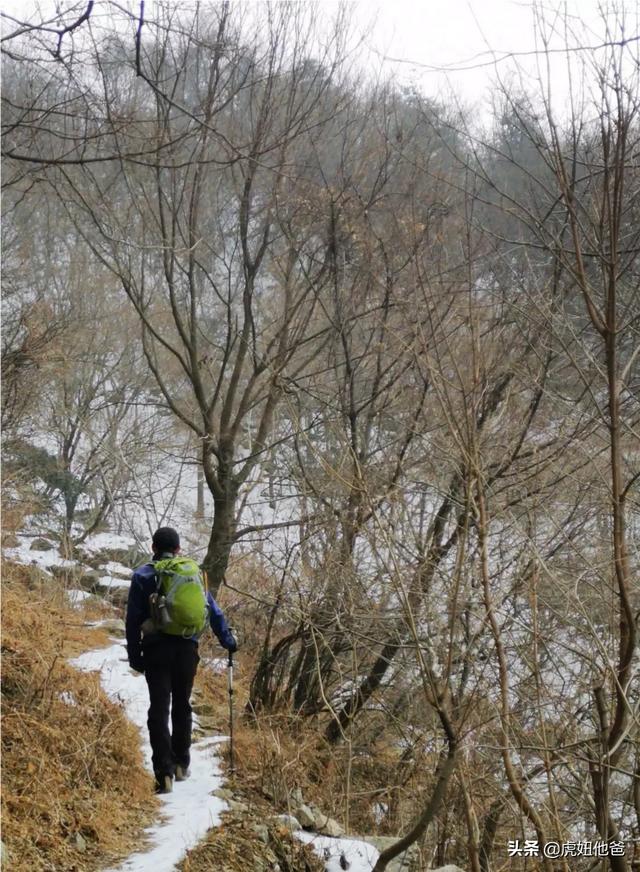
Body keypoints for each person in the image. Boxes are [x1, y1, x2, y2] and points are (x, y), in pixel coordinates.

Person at [125, 526, 237, 794]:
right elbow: (212, 610)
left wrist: (135, 655)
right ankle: (181, 764)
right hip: (187, 649)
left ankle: (163, 772)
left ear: (153, 548)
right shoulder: (193, 574)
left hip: (156, 650)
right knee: (182, 704)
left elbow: (132, 620)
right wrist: (228, 641)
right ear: (178, 550)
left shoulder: (143, 575)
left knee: (159, 707)